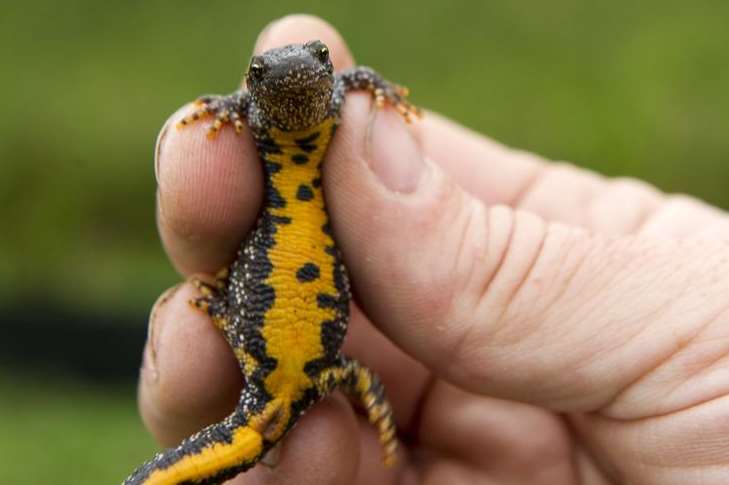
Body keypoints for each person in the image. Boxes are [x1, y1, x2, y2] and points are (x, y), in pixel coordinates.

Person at [140, 14, 729, 484]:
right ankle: (224, 312)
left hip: (298, 357)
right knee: (320, 377)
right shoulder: (252, 117)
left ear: (327, 79)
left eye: (319, 66)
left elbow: (356, 76)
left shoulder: (341, 97)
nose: (304, 76)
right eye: (264, 78)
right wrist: (222, 106)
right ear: (257, 88)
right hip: (293, 365)